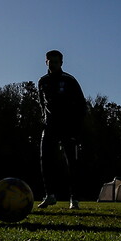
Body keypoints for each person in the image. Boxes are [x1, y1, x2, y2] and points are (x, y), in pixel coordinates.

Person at [36, 50, 87, 210]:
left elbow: (81, 105)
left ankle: (74, 198)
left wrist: (76, 128)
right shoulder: (42, 81)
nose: (53, 64)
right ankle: (49, 195)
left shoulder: (69, 80)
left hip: (68, 126)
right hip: (50, 126)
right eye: (50, 61)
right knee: (45, 159)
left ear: (61, 63)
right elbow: (42, 104)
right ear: (46, 62)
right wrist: (44, 119)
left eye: (56, 62)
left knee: (71, 162)